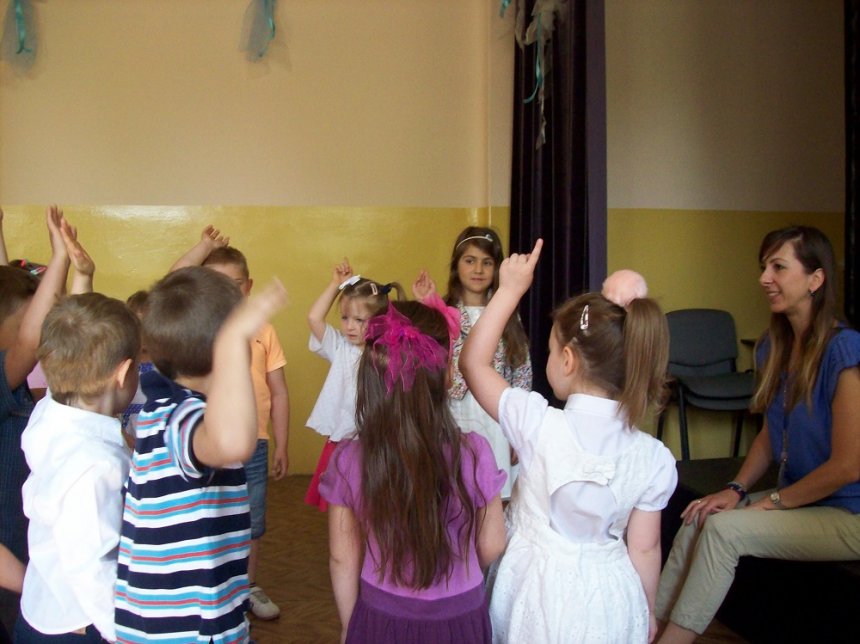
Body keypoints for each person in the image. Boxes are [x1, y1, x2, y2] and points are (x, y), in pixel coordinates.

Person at [460, 240, 678, 643]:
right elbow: (645, 549)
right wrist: (647, 610)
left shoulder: (536, 423)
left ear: (567, 360)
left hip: (533, 592)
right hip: (609, 601)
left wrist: (509, 290)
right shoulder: (654, 457)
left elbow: (473, 363)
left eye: (549, 351)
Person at [654, 226, 860, 643]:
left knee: (724, 531)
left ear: (816, 279)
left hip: (849, 515)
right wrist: (735, 489)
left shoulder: (844, 349)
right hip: (802, 502)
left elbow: (847, 466)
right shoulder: (773, 346)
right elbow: (770, 433)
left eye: (778, 267)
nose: (765, 278)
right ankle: (643, 628)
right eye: (764, 267)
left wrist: (774, 502)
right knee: (700, 516)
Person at [114, 267, 287, 643]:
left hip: (174, 618)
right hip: (185, 626)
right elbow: (234, 443)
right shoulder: (182, 415)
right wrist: (233, 341)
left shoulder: (165, 406)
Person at [319, 300, 506, 644]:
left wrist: (348, 626)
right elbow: (492, 544)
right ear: (447, 374)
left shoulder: (349, 459)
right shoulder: (474, 452)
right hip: (460, 615)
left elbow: (341, 558)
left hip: (381, 616)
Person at [171, 228, 290, 620]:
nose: (225, 292)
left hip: (254, 442)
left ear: (249, 287)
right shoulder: (198, 328)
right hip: (207, 441)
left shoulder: (264, 330)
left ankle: (246, 586)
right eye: (215, 284)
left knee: (251, 521)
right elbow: (172, 283)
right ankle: (211, 586)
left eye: (234, 284)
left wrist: (282, 443)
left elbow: (279, 392)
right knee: (208, 516)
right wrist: (203, 247)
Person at [16, 293, 141, 643]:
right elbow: (91, 567)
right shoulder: (95, 464)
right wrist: (124, 634)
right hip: (80, 624)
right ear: (123, 373)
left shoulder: (49, 414)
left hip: (43, 607)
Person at [0, 206, 71, 566]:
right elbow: (27, 343)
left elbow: (5, 287)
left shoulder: (10, 382)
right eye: (30, 320)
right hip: (8, 553)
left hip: (21, 543)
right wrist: (59, 258)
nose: (39, 329)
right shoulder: (5, 373)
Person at [304, 258, 405, 511]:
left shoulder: (386, 354)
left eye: (360, 320)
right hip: (344, 440)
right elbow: (314, 318)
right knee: (342, 505)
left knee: (372, 505)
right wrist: (335, 285)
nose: (350, 326)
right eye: (345, 317)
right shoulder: (339, 346)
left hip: (376, 443)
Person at [445, 227, 532, 499]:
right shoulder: (444, 313)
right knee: (458, 492)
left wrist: (519, 432)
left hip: (496, 417)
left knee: (494, 494)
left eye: (487, 262)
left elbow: (521, 373)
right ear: (456, 265)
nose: (478, 269)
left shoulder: (506, 314)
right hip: (455, 415)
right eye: (470, 261)